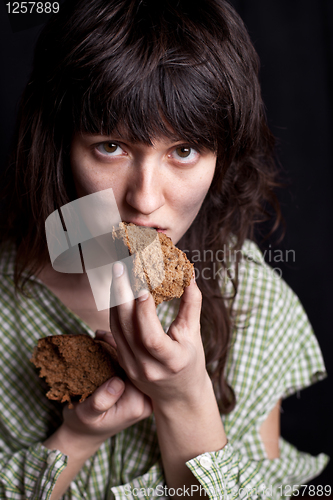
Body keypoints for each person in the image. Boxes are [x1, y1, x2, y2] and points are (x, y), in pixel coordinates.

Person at [0, 0, 328, 498]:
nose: (144, 200)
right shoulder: (7, 299)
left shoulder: (253, 302)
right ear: (60, 143)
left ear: (222, 158)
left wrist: (185, 398)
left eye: (184, 150)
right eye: (111, 146)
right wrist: (78, 437)